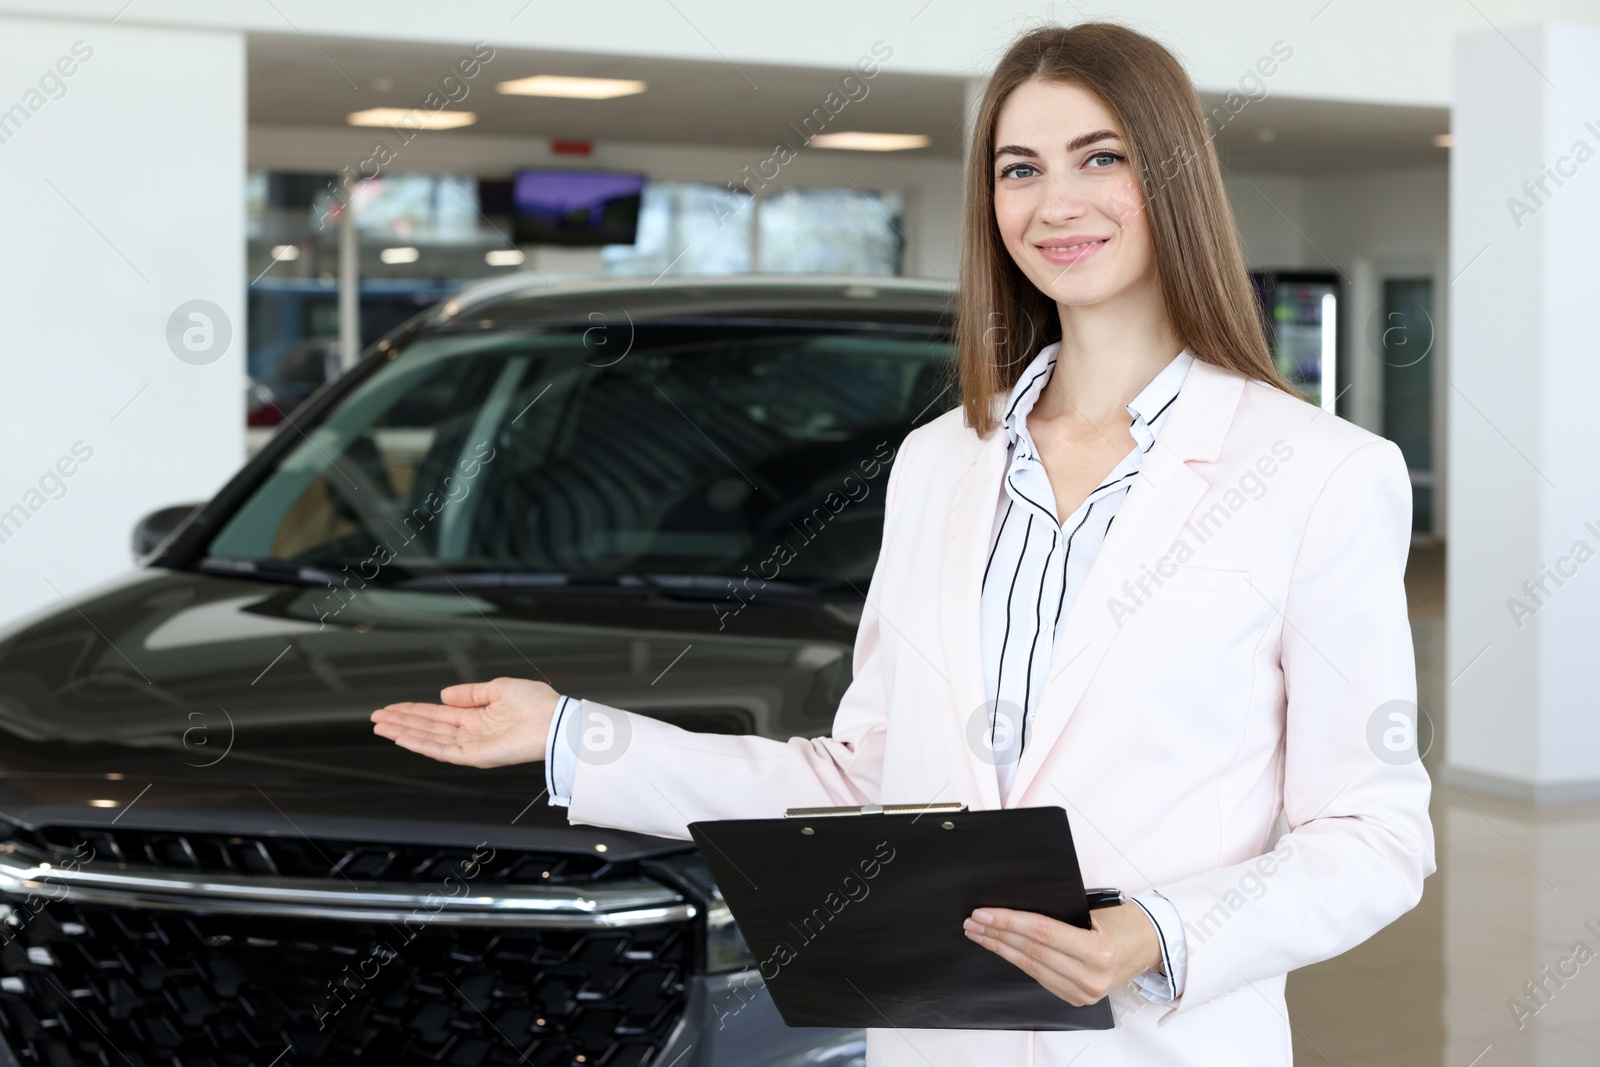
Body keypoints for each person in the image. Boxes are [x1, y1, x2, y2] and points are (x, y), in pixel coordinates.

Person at [372, 21, 1435, 1066]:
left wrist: (1152, 931)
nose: (1055, 203)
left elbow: (1372, 834)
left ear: (1172, 178)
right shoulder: (940, 460)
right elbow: (863, 780)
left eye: (1098, 157)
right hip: (936, 1038)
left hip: (1161, 1042)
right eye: (1019, 169)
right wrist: (570, 734)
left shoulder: (1319, 471)